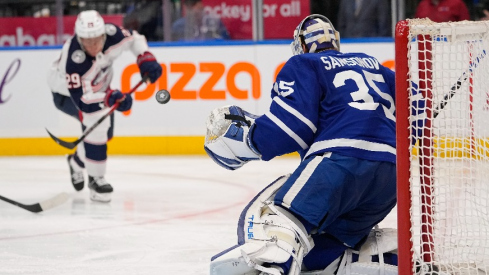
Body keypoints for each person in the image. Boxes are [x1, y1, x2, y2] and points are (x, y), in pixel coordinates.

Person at [204, 14, 399, 274]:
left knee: (281, 223)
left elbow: (291, 127)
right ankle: (370, 263)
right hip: (391, 176)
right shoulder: (375, 65)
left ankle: (274, 268)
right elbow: (418, 111)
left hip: (339, 162)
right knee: (329, 240)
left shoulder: (304, 63)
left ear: (302, 44)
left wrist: (251, 139)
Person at [47, 10, 162, 202]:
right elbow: (83, 101)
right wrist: (109, 98)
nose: (93, 45)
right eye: (87, 41)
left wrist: (145, 57)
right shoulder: (74, 60)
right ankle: (96, 179)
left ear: (103, 34)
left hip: (100, 88)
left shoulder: (112, 34)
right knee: (97, 126)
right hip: (66, 95)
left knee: (104, 135)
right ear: (79, 38)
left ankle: (76, 162)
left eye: (97, 39)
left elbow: (134, 39)